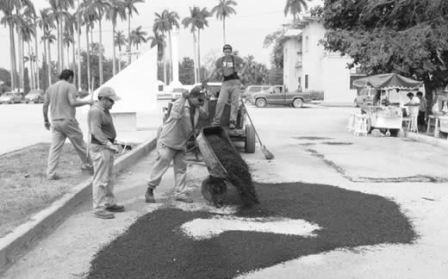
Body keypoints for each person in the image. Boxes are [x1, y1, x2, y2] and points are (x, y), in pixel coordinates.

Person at [145, 86, 208, 203]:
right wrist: (182, 98)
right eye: (200, 100)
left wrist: (202, 105)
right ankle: (149, 190)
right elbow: (175, 114)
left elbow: (204, 117)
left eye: (203, 100)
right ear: (192, 97)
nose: (201, 102)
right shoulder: (181, 104)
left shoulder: (197, 109)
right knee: (161, 166)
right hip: (168, 141)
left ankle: (180, 193)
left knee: (181, 169)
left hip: (181, 143)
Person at [43, 69, 93, 180]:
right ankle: (91, 166)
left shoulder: (50, 88)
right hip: (68, 121)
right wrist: (87, 102)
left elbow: (45, 106)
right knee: (80, 145)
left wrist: (46, 120)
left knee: (55, 148)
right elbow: (73, 102)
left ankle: (50, 173)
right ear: (70, 77)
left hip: (55, 122)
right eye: (72, 78)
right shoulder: (70, 86)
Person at [88, 87, 123, 219]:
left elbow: (106, 130)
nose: (113, 103)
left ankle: (109, 202)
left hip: (106, 147)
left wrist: (114, 142)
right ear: (103, 99)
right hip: (100, 147)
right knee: (101, 179)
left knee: (108, 178)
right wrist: (108, 144)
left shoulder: (104, 110)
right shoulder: (96, 111)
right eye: (111, 101)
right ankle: (98, 208)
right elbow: (95, 131)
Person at [210, 44, 245, 129]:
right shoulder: (220, 60)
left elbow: (245, 64)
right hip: (225, 84)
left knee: (234, 103)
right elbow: (215, 70)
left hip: (235, 83)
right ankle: (216, 121)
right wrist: (209, 77)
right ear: (223, 52)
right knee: (220, 101)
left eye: (229, 51)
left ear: (231, 51)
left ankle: (232, 122)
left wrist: (241, 73)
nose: (227, 53)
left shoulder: (235, 58)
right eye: (226, 51)